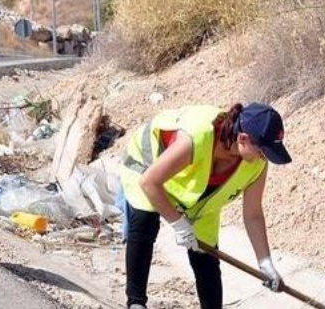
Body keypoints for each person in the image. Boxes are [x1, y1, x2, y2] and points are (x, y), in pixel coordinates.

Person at [119, 102, 292, 309]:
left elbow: (253, 214)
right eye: (263, 151)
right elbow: (149, 182)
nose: (265, 158)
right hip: (148, 167)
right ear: (243, 139)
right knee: (144, 220)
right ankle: (136, 302)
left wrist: (265, 262)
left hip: (197, 199)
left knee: (206, 259)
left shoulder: (256, 165)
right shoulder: (197, 137)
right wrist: (178, 224)